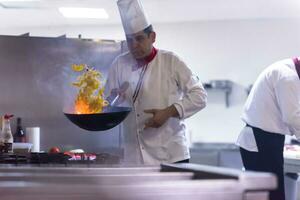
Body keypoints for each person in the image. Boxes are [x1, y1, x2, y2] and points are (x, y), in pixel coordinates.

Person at [105, 0, 207, 165]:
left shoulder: (171, 61)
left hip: (171, 156)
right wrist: (113, 99)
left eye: (139, 39)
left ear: (152, 37)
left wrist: (168, 112)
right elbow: (107, 104)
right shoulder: (119, 64)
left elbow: (200, 96)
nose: (134, 45)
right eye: (129, 40)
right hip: (133, 157)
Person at [236, 57, 300, 200]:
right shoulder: (288, 77)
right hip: (260, 141)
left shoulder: (285, 69)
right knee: (269, 195)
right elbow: (292, 117)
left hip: (265, 139)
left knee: (271, 193)